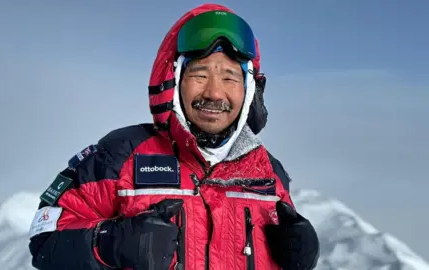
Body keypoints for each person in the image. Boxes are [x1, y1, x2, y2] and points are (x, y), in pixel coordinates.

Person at [28, 3, 319, 270]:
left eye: (230, 77)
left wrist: (301, 256)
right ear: (173, 81)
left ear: (249, 89)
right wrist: (109, 243)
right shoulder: (119, 157)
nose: (215, 93)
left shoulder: (269, 174)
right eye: (200, 74)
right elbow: (44, 239)